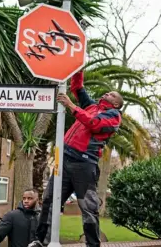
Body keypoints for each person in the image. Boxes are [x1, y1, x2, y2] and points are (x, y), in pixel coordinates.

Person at [29, 70, 123, 247]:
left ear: (117, 103)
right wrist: (77, 67)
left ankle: (93, 245)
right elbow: (77, 87)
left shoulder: (114, 117)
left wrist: (71, 106)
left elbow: (94, 124)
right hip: (63, 160)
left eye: (112, 94)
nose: (107, 93)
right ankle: (41, 241)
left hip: (84, 165)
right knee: (50, 200)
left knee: (88, 208)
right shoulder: (91, 106)